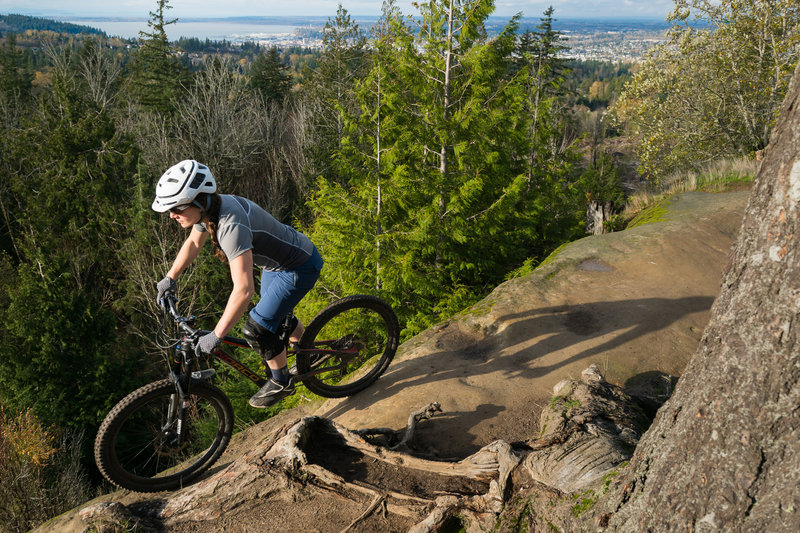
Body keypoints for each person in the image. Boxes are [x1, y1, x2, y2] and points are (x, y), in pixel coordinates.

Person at [151, 159, 323, 408]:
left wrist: (216, 335)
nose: (171, 215)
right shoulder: (209, 210)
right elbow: (193, 244)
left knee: (257, 329)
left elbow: (243, 290)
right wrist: (170, 278)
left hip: (298, 267)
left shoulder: (230, 225)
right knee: (275, 316)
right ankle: (311, 352)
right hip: (279, 264)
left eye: (177, 207)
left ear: (199, 200)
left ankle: (281, 381)